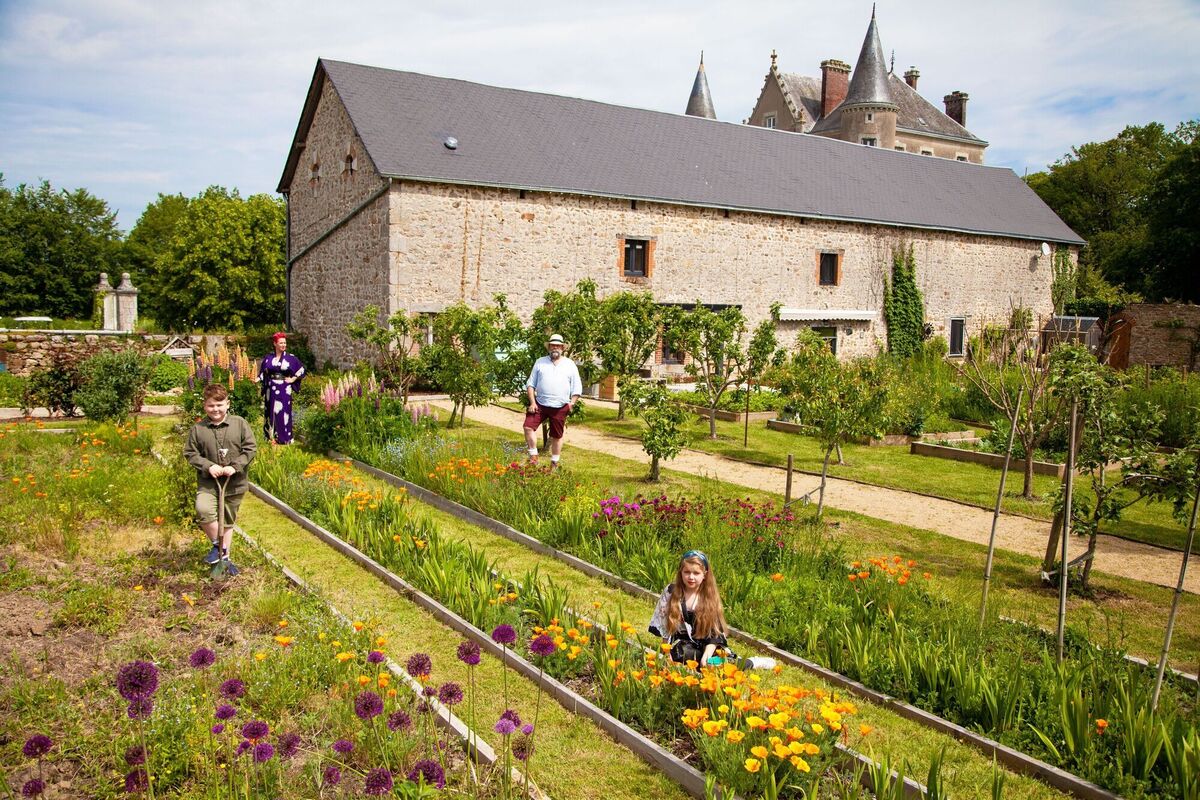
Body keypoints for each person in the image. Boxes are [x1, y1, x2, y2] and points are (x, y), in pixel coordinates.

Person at [183, 383, 257, 577]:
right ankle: (220, 548)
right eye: (210, 406)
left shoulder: (239, 423)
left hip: (235, 483)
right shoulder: (198, 429)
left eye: (219, 405)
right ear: (204, 407)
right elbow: (190, 453)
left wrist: (235, 466)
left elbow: (250, 449)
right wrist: (209, 466)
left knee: (227, 521)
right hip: (209, 482)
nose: (215, 409)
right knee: (203, 510)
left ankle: (224, 560)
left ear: (227, 404)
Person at [648, 550, 730, 666]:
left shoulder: (708, 597)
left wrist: (706, 656)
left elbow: (714, 633)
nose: (691, 577)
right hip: (681, 644)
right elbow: (664, 625)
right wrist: (665, 651)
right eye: (687, 572)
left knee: (722, 662)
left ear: (705, 575)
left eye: (696, 573)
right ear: (680, 572)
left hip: (706, 644)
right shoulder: (671, 592)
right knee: (681, 654)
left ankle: (753, 662)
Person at [523, 333, 582, 468]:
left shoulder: (570, 364)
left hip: (560, 406)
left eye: (558, 345)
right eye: (552, 345)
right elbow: (530, 384)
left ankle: (554, 463)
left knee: (557, 435)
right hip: (540, 404)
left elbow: (577, 387)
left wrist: (571, 403)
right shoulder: (540, 362)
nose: (555, 348)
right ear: (549, 347)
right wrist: (532, 402)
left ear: (562, 348)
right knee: (528, 427)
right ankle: (533, 456)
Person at [257, 332, 305, 445]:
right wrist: (258, 379)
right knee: (270, 411)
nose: (283, 345)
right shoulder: (268, 358)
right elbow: (263, 372)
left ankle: (285, 438)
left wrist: (293, 379)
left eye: (285, 343)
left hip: (284, 388)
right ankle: (270, 437)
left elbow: (301, 370)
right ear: (275, 344)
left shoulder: (291, 358)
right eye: (281, 343)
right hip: (271, 388)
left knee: (284, 412)